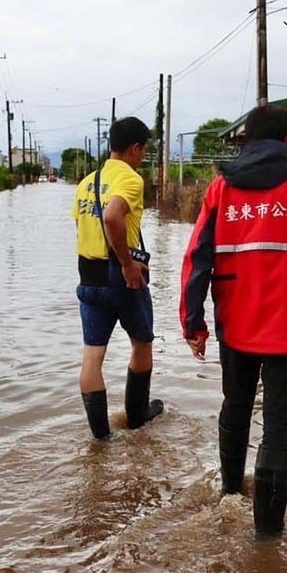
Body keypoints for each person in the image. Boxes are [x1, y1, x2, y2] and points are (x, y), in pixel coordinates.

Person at [179, 105, 287, 538]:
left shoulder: (221, 190)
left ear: (247, 141)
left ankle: (229, 496)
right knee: (279, 423)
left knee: (234, 409)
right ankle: (268, 538)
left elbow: (196, 258)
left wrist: (193, 322)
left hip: (234, 322)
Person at [73, 117, 163, 441]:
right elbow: (112, 216)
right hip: (122, 277)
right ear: (135, 148)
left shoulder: (86, 182)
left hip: (89, 276)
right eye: (144, 150)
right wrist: (127, 264)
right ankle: (138, 418)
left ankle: (101, 439)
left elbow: (84, 228)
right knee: (142, 343)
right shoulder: (130, 179)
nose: (143, 156)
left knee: (92, 356)